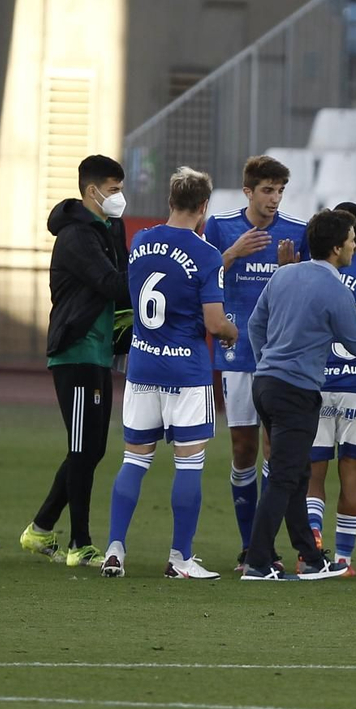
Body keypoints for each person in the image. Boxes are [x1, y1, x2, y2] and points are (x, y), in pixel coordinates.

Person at [242, 208, 356, 582]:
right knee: (283, 476)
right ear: (335, 247)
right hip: (297, 391)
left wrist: (268, 361)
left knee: (294, 474)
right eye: (350, 240)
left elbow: (254, 324)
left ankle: (310, 557)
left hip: (264, 384)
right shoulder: (336, 288)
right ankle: (258, 562)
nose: (354, 245)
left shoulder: (283, 275)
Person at [102, 167, 237, 578]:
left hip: (142, 367)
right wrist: (232, 332)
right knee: (189, 463)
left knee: (134, 460)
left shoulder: (141, 241)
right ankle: (179, 558)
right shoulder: (206, 254)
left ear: (170, 202)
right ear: (203, 207)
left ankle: (115, 549)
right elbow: (214, 323)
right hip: (186, 373)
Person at [20, 154, 131, 569]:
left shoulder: (108, 228)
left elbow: (120, 286)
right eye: (115, 190)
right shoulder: (76, 237)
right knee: (84, 448)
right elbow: (112, 281)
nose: (120, 198)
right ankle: (79, 543)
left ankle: (42, 528)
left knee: (91, 449)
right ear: (92, 191)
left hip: (98, 349)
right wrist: (157, 267)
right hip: (77, 349)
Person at [202, 155, 305, 569]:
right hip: (237, 354)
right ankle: (249, 547)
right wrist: (230, 253)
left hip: (280, 358)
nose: (274, 198)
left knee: (273, 451)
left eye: (280, 190)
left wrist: (288, 270)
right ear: (248, 191)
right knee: (243, 449)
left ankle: (266, 547)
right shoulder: (221, 227)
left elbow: (306, 289)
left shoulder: (297, 233)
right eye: (267, 190)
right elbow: (202, 277)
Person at [305, 201, 356, 574]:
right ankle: (343, 559)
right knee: (352, 472)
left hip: (319, 380)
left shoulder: (309, 274)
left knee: (314, 472)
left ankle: (311, 551)